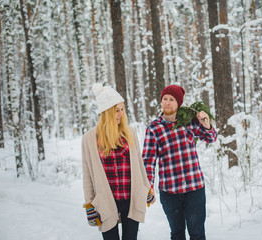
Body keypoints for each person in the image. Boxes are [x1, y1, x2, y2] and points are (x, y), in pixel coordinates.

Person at [142, 85, 217, 240]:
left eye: (172, 99)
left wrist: (206, 124)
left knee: (197, 234)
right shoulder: (154, 128)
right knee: (177, 234)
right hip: (170, 193)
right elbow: (148, 160)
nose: (167, 103)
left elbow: (211, 138)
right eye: (165, 99)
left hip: (194, 189)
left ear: (178, 104)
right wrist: (148, 185)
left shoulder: (189, 122)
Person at [82, 83, 151, 240]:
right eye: (116, 110)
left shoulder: (129, 133)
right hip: (106, 200)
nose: (120, 114)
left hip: (130, 197)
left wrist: (147, 188)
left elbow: (139, 164)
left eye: (121, 109)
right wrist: (89, 204)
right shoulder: (90, 139)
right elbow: (87, 174)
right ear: (106, 112)